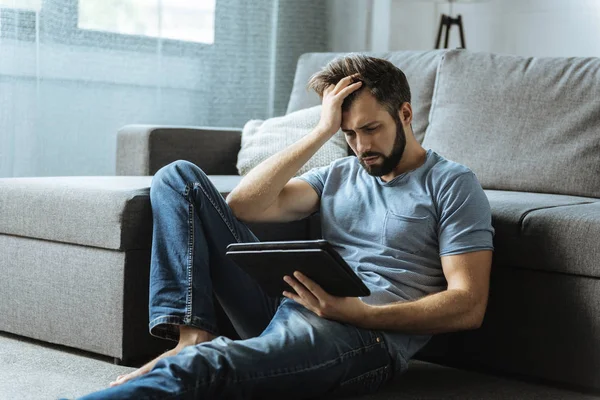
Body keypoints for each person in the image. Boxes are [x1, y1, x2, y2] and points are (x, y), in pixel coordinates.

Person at [78, 54, 494, 399]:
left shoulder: (452, 183)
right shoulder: (339, 174)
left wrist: (360, 314)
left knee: (207, 371)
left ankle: (198, 357)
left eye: (372, 129)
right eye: (349, 133)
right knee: (177, 177)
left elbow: (468, 304)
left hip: (364, 336)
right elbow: (245, 206)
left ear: (405, 114)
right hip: (289, 304)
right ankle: (192, 335)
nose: (363, 146)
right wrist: (320, 131)